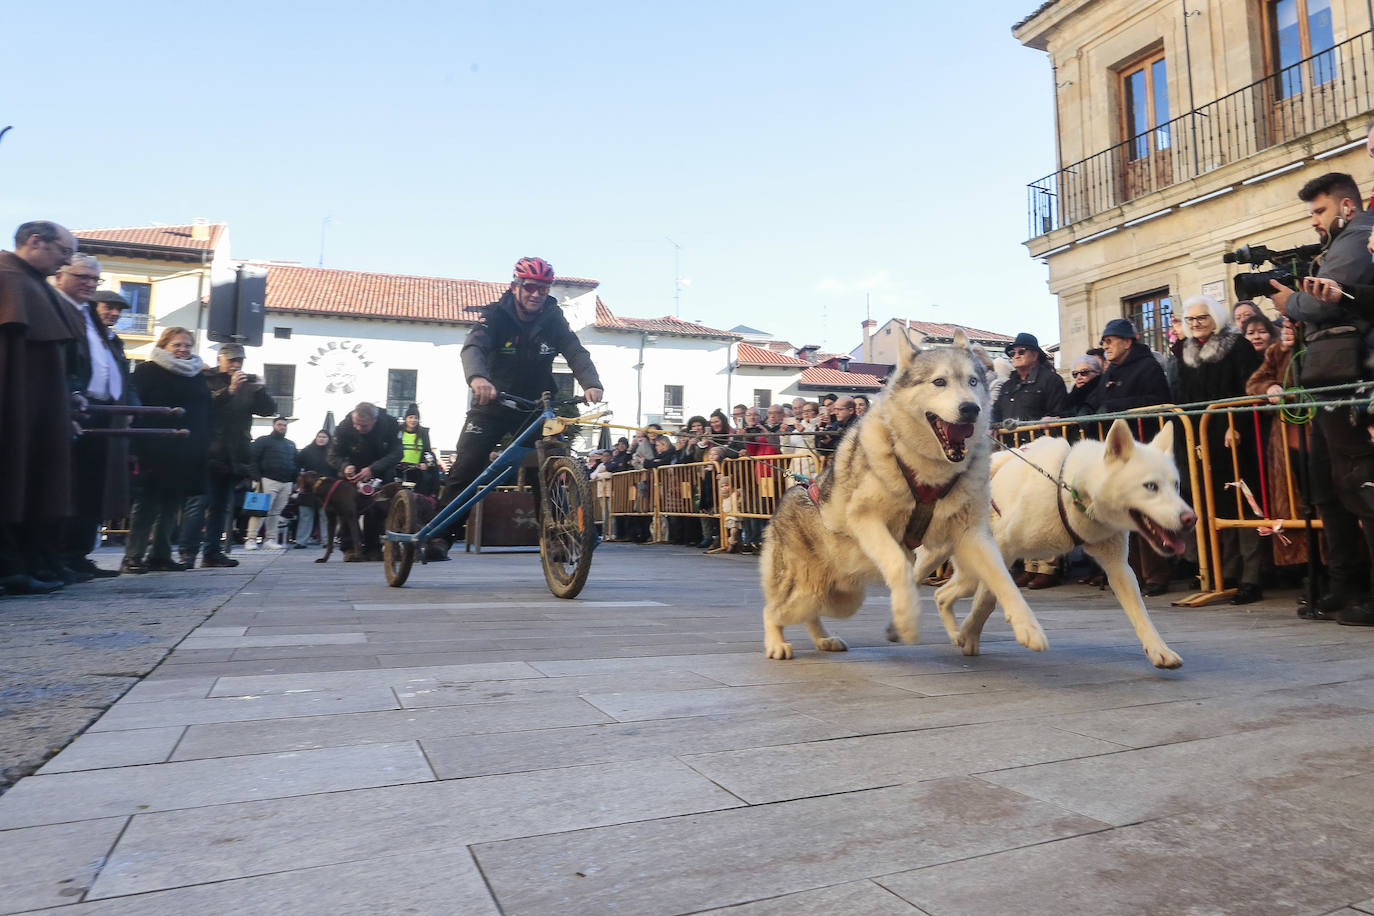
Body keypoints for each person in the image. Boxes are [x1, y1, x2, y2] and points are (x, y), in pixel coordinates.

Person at [1269, 171, 1374, 624]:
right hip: (1327, 375)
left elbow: (1321, 301)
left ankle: (1364, 590)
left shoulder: (1358, 237)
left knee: (1359, 482)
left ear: (1346, 207)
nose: (1314, 221)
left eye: (1320, 211)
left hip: (1350, 376)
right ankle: (1345, 584)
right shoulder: (1341, 242)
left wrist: (1289, 304)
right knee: (1329, 486)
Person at [440, 257, 603, 516]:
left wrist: (591, 383)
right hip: (493, 403)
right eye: (530, 287)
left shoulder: (553, 318)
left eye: (544, 288)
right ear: (515, 286)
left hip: (535, 407)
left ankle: (556, 537)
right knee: (467, 467)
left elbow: (575, 350)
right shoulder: (495, 315)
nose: (537, 294)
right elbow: (474, 347)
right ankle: (439, 537)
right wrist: (478, 378)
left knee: (549, 467)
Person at [0, 220, 84, 594]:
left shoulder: (35, 285)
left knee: (33, 481)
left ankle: (32, 560)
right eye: (63, 252)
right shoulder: (9, 279)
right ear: (36, 241)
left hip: (37, 407)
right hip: (14, 405)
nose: (64, 262)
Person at [1175, 294, 1265, 605]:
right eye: (1190, 319)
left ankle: (1251, 576)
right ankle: (1226, 571)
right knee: (1218, 504)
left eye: (1202, 318)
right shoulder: (1184, 351)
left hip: (1235, 433)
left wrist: (1234, 423)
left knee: (1244, 501)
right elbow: (1184, 398)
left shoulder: (1236, 345)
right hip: (1202, 436)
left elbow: (1247, 388)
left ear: (1215, 317)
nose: (1196, 324)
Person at [57, 263, 132, 580]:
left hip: (106, 412)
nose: (113, 313)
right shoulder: (77, 327)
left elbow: (122, 380)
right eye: (108, 307)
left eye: (117, 309)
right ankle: (60, 554)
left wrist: (130, 408)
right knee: (70, 486)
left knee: (93, 487)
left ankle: (78, 554)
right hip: (80, 408)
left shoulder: (111, 341)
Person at [179, 343, 277, 568]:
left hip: (233, 455)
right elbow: (206, 408)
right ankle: (188, 552)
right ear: (220, 359)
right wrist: (230, 390)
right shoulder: (206, 378)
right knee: (199, 503)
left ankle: (212, 553)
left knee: (221, 507)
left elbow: (269, 410)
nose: (235, 364)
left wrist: (260, 389)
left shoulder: (248, 383)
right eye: (231, 360)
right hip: (208, 451)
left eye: (239, 360)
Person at [123, 328, 211, 574]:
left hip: (187, 448)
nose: (183, 349)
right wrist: (136, 445)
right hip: (155, 445)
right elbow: (138, 407)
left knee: (173, 504)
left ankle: (161, 555)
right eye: (177, 345)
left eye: (187, 345)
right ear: (164, 346)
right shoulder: (146, 371)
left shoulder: (197, 375)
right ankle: (133, 555)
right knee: (147, 503)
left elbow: (205, 412)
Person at [1245, 318, 1311, 572]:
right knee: (1295, 503)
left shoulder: (1313, 347)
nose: (1287, 330)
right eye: (1284, 325)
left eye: (1293, 325)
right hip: (1287, 439)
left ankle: (1333, 567)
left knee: (1321, 500)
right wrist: (1270, 387)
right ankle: (1302, 566)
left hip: (1317, 435)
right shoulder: (1275, 352)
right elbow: (1253, 384)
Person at [327, 402, 403, 559]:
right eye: (356, 424)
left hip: (381, 469)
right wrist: (344, 466)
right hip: (354, 472)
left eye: (364, 425)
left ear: (374, 420)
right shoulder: (344, 427)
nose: (359, 428)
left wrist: (373, 469)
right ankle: (349, 548)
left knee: (378, 508)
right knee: (347, 508)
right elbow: (332, 455)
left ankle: (373, 548)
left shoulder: (390, 424)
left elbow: (397, 453)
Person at [245, 417, 297, 550]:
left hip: (286, 482)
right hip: (266, 480)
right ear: (273, 425)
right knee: (259, 510)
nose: (282, 427)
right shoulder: (263, 441)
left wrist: (294, 481)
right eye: (279, 424)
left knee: (275, 513)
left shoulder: (290, 444)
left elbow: (295, 463)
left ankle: (270, 539)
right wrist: (256, 478)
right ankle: (251, 539)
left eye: (284, 425)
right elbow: (253, 460)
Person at [992, 332, 1066, 424]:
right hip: (1008, 438)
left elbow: (1060, 413)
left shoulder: (1052, 380)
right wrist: (992, 425)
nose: (1016, 356)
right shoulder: (1007, 386)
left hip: (1040, 437)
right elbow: (995, 413)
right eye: (1012, 353)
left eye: (1021, 351)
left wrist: (1051, 418)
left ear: (1034, 355)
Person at [294, 429, 334, 547]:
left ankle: (327, 541)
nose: (321, 439)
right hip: (307, 488)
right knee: (305, 515)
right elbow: (297, 466)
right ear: (316, 438)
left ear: (328, 439)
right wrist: (298, 482)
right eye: (320, 436)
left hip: (326, 488)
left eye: (324, 437)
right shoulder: (307, 451)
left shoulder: (333, 453)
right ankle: (301, 541)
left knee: (325, 515)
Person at [396, 403, 440, 497]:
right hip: (399, 468)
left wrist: (427, 464)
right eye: (410, 417)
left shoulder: (423, 433)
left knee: (428, 475)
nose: (413, 420)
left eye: (415, 418)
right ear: (406, 419)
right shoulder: (398, 431)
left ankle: (431, 496)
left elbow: (428, 453)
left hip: (417, 468)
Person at [1063, 353, 1104, 418]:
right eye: (1075, 374)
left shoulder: (1102, 390)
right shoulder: (1071, 396)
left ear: (1097, 373)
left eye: (1084, 372)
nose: (1079, 377)